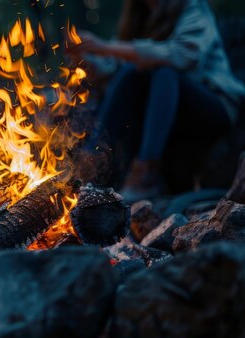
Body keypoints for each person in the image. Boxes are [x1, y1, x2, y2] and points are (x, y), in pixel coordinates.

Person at [71, 0, 245, 201]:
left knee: (164, 72)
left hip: (215, 103)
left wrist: (106, 47)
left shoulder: (192, 7)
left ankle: (145, 175)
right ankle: (92, 161)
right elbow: (114, 68)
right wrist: (85, 60)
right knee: (131, 72)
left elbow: (184, 55)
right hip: (162, 109)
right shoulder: (138, 17)